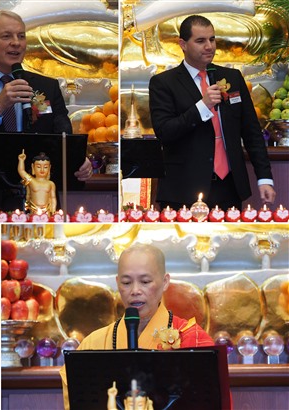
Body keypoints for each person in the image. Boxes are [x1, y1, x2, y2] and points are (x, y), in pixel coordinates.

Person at [0, 10, 92, 213]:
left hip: (39, 202)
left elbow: (62, 137)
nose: (16, 43)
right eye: (7, 36)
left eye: (21, 36)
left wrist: (78, 161)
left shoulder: (46, 87)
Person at [59, 243, 214, 409]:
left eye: (145, 281)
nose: (135, 290)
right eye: (126, 283)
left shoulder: (193, 340)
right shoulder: (93, 344)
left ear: (165, 282)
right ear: (117, 283)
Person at [148, 15, 275, 210]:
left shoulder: (232, 77)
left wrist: (264, 177)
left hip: (229, 186)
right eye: (200, 41)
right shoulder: (164, 83)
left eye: (212, 39)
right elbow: (165, 132)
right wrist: (202, 106)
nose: (209, 46)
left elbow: (251, 132)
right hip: (184, 189)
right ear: (183, 44)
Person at [18, 150, 57, 214]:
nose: (42, 170)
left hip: (47, 211)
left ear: (49, 168)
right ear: (33, 167)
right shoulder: (31, 181)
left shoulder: (51, 184)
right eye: (38, 167)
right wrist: (21, 161)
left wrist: (53, 211)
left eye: (45, 167)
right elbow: (21, 171)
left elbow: (53, 198)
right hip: (34, 210)